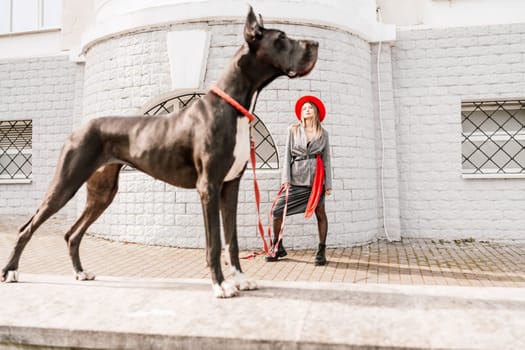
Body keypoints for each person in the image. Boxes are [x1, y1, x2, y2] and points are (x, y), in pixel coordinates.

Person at [266, 95, 332, 265]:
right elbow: (287, 155)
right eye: (304, 108)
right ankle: (278, 246)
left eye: (310, 107)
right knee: (277, 211)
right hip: (296, 179)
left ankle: (321, 250)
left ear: (315, 111)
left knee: (320, 213)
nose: (307, 110)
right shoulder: (293, 130)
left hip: (317, 182)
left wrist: (328, 184)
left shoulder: (323, 133)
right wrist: (285, 179)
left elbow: (326, 160)